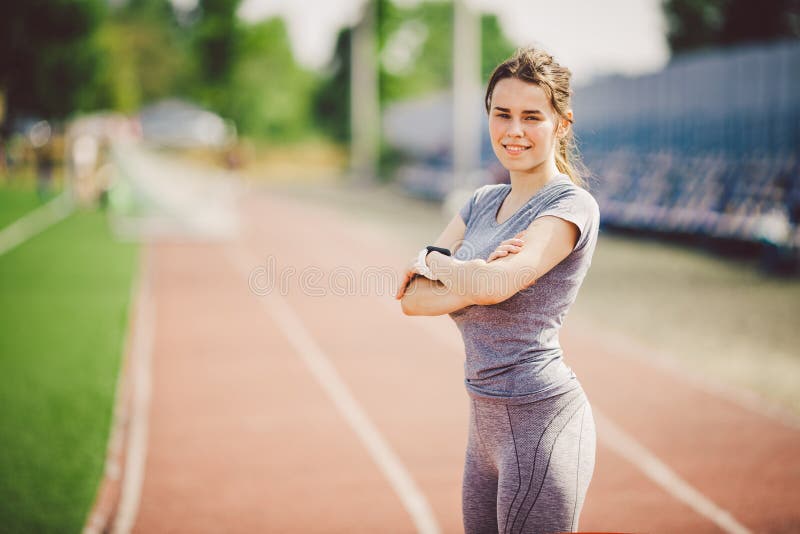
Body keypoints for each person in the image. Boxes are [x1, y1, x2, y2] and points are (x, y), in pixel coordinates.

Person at [395, 47, 601, 533]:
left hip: (540, 421)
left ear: (562, 124)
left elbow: (491, 285)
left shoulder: (572, 206)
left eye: (532, 117)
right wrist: (478, 274)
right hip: (483, 427)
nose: (514, 131)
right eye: (502, 114)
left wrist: (436, 262)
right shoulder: (482, 202)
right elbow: (410, 299)